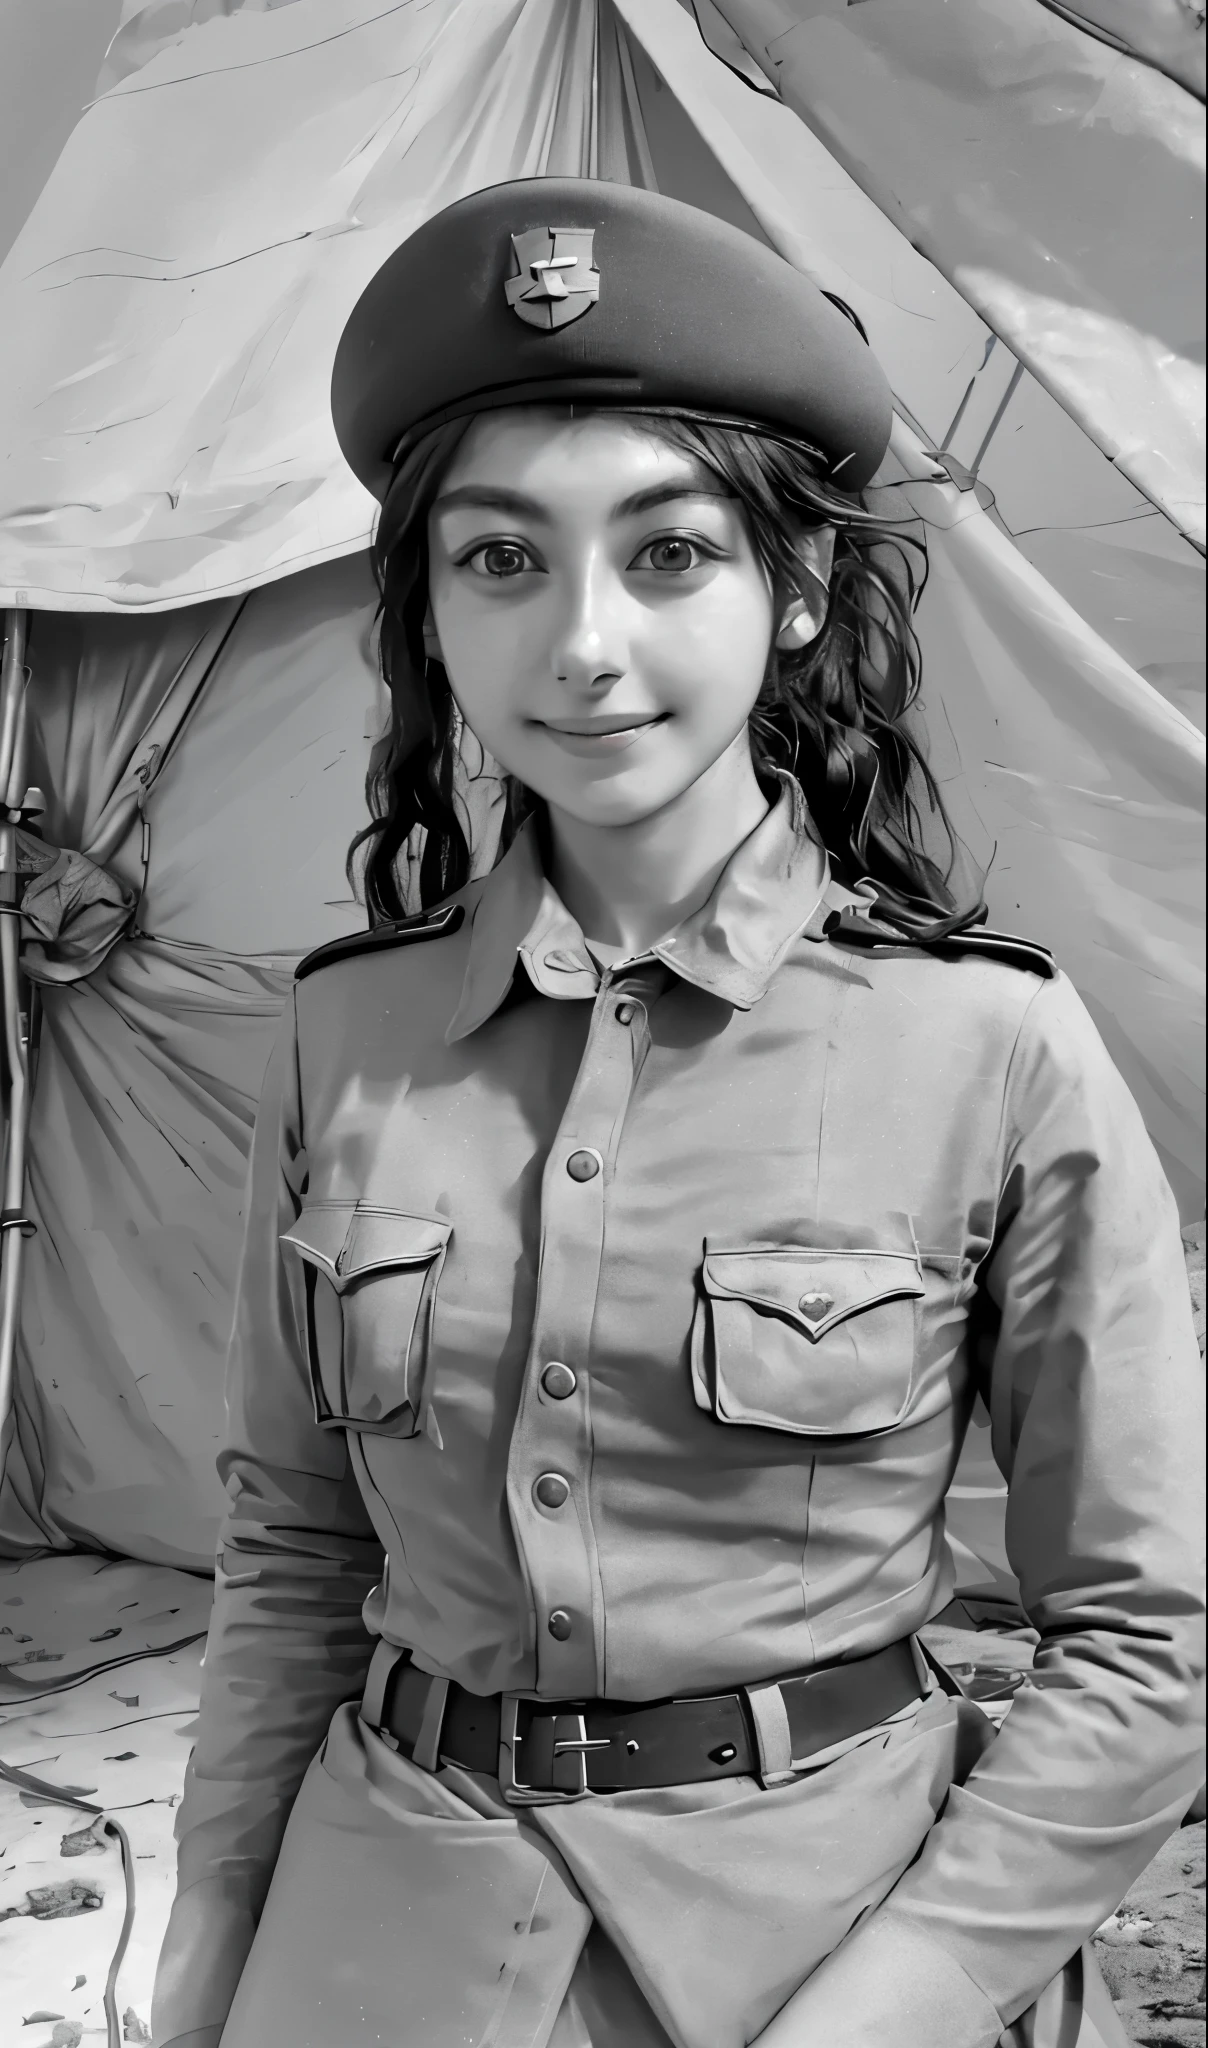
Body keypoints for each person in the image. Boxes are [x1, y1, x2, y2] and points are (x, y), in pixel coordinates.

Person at [151, 180, 1204, 2048]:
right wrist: (214, 1935)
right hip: (380, 1912)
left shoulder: (992, 1048)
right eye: (500, 559)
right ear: (430, 614)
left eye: (668, 554)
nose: (582, 644)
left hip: (832, 1937)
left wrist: (911, 1995)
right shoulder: (348, 1037)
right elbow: (296, 1545)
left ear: (794, 588)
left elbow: (1148, 1637)